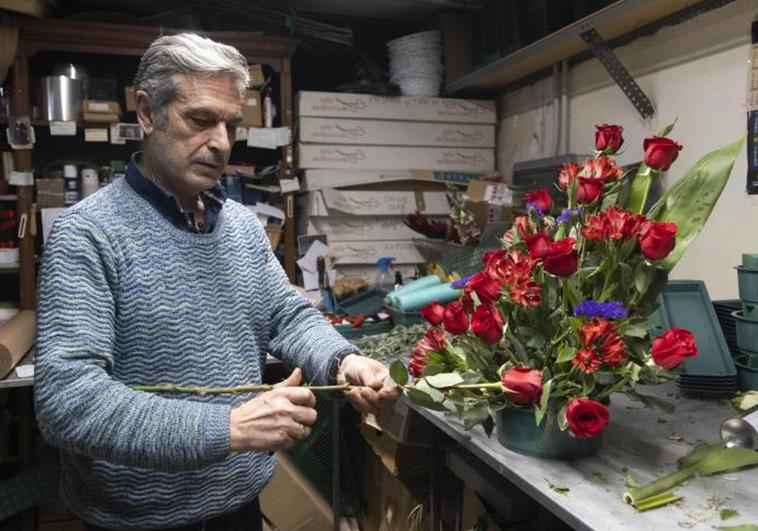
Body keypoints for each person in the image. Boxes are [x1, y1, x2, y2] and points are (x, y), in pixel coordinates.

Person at [34, 32, 399, 531]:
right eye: (201, 120)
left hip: (239, 506)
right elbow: (68, 402)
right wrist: (227, 428)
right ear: (146, 112)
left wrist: (344, 359)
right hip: (139, 520)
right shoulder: (88, 234)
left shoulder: (243, 227)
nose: (222, 143)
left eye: (231, 124)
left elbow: (286, 316)